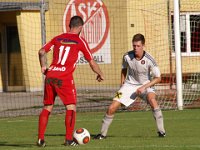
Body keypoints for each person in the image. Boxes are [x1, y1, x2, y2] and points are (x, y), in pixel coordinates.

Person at [37, 16, 104, 147]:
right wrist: (100, 73)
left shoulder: (57, 38)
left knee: (47, 107)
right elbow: (91, 61)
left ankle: (40, 139)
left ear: (69, 25)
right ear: (80, 27)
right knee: (71, 107)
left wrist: (43, 66)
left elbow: (41, 51)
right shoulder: (79, 41)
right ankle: (68, 139)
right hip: (64, 77)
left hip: (50, 76)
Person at [94, 33, 166, 140]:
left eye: (138, 46)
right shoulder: (127, 56)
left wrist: (144, 87)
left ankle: (162, 132)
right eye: (134, 46)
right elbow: (124, 70)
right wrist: (122, 86)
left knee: (152, 100)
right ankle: (102, 134)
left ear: (143, 46)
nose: (136, 48)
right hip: (128, 85)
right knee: (112, 107)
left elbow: (158, 78)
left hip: (146, 85)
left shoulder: (150, 59)